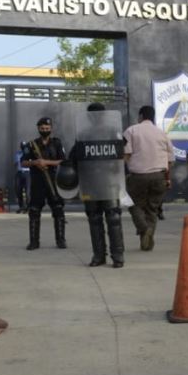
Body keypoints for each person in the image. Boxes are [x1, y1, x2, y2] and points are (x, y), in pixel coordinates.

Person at [68, 102, 126, 268]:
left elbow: (73, 158)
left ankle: (100, 256)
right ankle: (117, 256)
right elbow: (123, 153)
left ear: (88, 117)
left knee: (96, 219)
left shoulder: (84, 134)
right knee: (112, 218)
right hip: (106, 182)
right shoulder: (112, 133)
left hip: (95, 182)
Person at [123, 105, 173, 251]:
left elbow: (126, 155)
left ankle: (144, 229)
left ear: (140, 116)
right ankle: (147, 241)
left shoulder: (131, 131)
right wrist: (168, 178)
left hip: (138, 176)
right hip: (159, 176)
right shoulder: (162, 134)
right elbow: (170, 160)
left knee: (134, 205)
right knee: (152, 209)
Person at [21, 117, 67, 249]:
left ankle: (61, 240)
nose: (45, 130)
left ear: (51, 128)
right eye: (42, 129)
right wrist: (35, 162)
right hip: (37, 181)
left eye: (47, 129)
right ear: (38, 129)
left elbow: (63, 161)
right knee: (34, 210)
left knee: (58, 209)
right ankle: (34, 242)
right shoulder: (31, 145)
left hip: (53, 180)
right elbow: (23, 162)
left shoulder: (57, 143)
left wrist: (46, 162)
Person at [14, 141, 30, 213]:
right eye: (22, 146)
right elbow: (15, 163)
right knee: (18, 190)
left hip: (27, 173)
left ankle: (28, 207)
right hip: (19, 173)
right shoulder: (17, 153)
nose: (23, 147)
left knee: (28, 191)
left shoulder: (30, 154)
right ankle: (21, 206)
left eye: (24, 146)